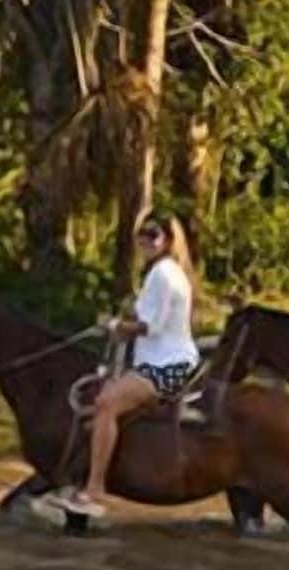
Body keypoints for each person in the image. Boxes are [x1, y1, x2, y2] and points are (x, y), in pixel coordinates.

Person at [58, 214, 200, 518]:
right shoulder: (164, 272)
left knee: (106, 403)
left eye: (154, 234)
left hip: (167, 366)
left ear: (168, 240)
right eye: (142, 234)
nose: (146, 240)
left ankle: (95, 489)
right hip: (161, 361)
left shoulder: (162, 274)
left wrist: (112, 325)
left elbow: (150, 326)